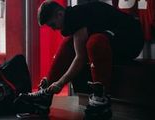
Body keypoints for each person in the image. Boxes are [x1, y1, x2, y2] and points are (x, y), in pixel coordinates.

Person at [15, 0, 144, 119]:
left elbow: (80, 58)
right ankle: (45, 93)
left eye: (52, 24)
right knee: (69, 43)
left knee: (94, 42)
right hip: (114, 40)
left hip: (132, 38)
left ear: (60, 14)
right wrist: (53, 84)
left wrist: (60, 83)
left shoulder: (76, 16)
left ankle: (101, 99)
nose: (53, 29)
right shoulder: (73, 16)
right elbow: (76, 51)